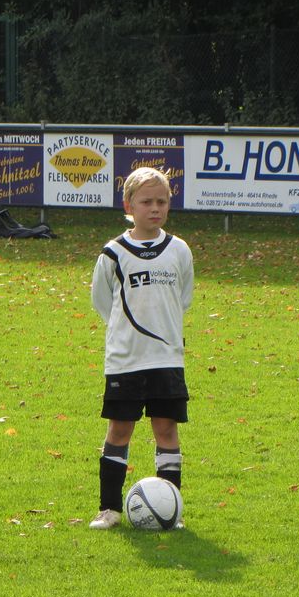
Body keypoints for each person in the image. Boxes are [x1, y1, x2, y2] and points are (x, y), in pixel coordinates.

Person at [88, 167, 194, 529]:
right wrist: (126, 334)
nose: (155, 208)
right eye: (146, 201)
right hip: (126, 360)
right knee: (119, 431)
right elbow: (103, 301)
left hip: (166, 358)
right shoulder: (113, 253)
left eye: (161, 201)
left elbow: (183, 298)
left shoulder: (179, 250)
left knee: (166, 429)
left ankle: (171, 509)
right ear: (128, 205)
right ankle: (109, 509)